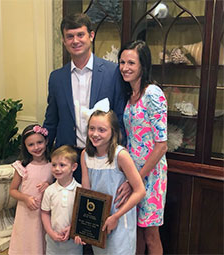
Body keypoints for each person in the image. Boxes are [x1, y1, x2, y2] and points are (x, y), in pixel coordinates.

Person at [43, 12, 127, 184]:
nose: (75, 41)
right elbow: (51, 121)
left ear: (91, 35)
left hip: (103, 160)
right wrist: (39, 158)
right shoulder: (56, 78)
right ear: (64, 41)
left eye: (80, 34)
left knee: (100, 210)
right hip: (68, 162)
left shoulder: (112, 73)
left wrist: (122, 162)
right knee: (67, 210)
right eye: (70, 36)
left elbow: (120, 119)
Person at [118, 40, 168, 254]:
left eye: (131, 63)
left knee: (150, 234)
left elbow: (161, 145)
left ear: (142, 66)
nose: (125, 67)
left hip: (151, 175)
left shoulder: (153, 94)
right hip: (132, 173)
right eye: (121, 62)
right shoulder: (130, 96)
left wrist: (135, 178)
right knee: (134, 231)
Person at [75, 109, 146, 255]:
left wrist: (116, 217)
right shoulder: (85, 155)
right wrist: (80, 226)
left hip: (119, 219)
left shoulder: (120, 156)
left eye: (102, 130)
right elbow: (86, 191)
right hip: (98, 222)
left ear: (113, 132)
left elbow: (140, 191)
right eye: (92, 128)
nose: (95, 134)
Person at [9, 124, 53, 255]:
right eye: (31, 145)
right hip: (26, 212)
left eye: (39, 142)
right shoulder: (22, 166)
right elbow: (12, 190)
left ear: (46, 141)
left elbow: (57, 184)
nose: (36, 147)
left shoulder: (53, 164)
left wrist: (49, 184)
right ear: (25, 147)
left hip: (45, 211)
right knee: (26, 238)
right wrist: (26, 198)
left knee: (41, 237)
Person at [41, 145, 82, 255]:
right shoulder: (49, 190)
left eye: (62, 165)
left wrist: (75, 229)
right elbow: (45, 213)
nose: (57, 169)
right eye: (54, 165)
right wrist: (50, 232)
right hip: (53, 242)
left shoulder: (80, 190)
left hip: (73, 244)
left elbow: (82, 217)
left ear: (73, 167)